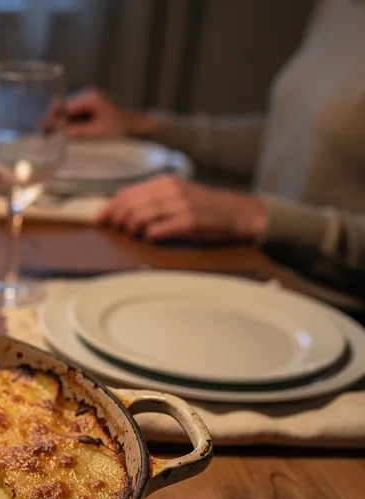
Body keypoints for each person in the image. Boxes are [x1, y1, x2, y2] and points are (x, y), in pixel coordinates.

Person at [64, 0, 365, 299]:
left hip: (326, 303)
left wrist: (250, 214)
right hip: (259, 269)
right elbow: (292, 137)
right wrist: (143, 126)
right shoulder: (339, 8)